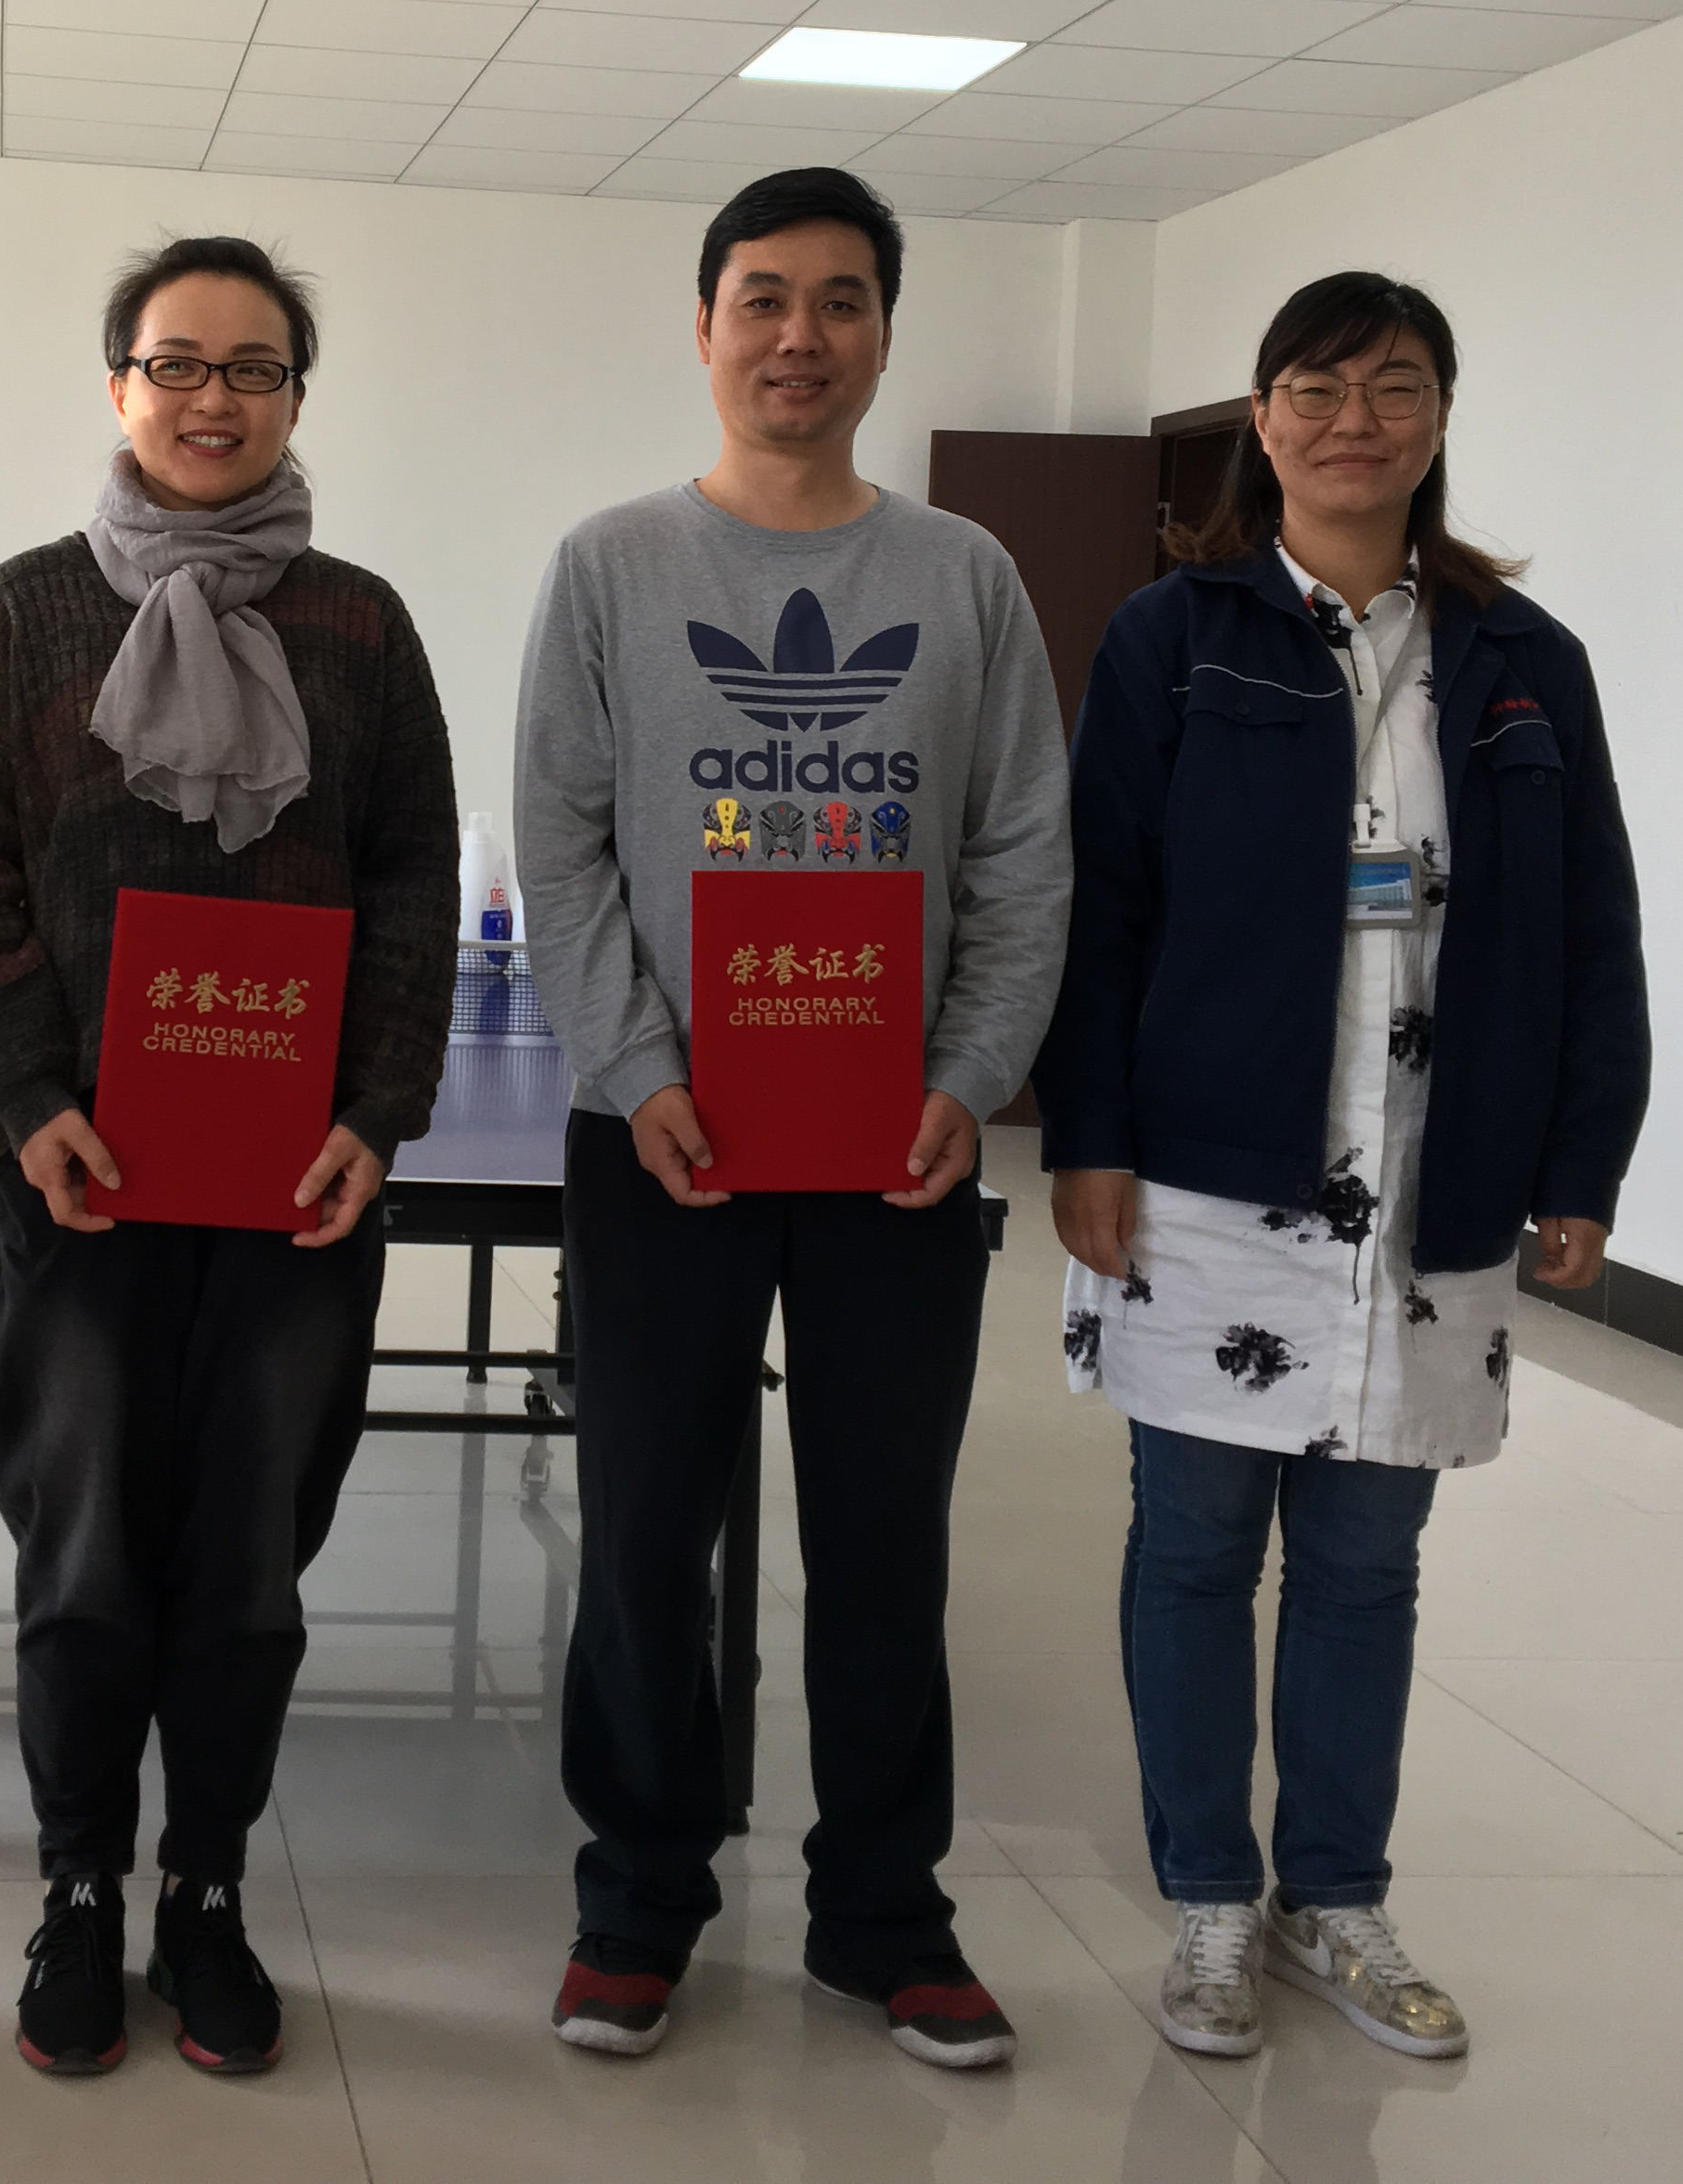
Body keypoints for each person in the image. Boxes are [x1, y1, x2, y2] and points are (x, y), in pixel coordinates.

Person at [1034, 271, 1649, 2064]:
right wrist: (1088, 1135)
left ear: (1442, 417)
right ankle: (1209, 1902)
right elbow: (1098, 907)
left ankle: (1336, 1897)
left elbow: (1594, 924)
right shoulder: (1175, 638)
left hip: (1436, 1179)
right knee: (1194, 1547)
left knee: (1370, 1560)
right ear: (1262, 415)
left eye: (1393, 388)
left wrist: (1584, 1154)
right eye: (1316, 387)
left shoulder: (1526, 661)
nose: (1353, 422)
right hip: (1212, 1177)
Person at [514, 167, 1071, 2072]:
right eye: (763, 297)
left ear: (884, 336)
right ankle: (638, 1897)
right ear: (704, 327)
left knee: (885, 1541)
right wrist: (640, 1070)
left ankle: (885, 1913)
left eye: (841, 300)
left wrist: (968, 1077)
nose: (799, 336)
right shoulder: (610, 565)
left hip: (894, 1149)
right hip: (661, 1138)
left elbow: (1020, 851)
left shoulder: (967, 577)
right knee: (644, 1529)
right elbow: (563, 847)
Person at [0, 233, 460, 2079]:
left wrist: (374, 1114)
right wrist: (26, 1100)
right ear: (119, 385)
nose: (213, 398)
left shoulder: (364, 625)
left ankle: (206, 1889)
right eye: (177, 363)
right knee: (80, 1556)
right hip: (75, 1179)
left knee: (247, 1566)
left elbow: (412, 879)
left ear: (297, 396)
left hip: (298, 1190)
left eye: (253, 368)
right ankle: (79, 1884)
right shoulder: (26, 611)